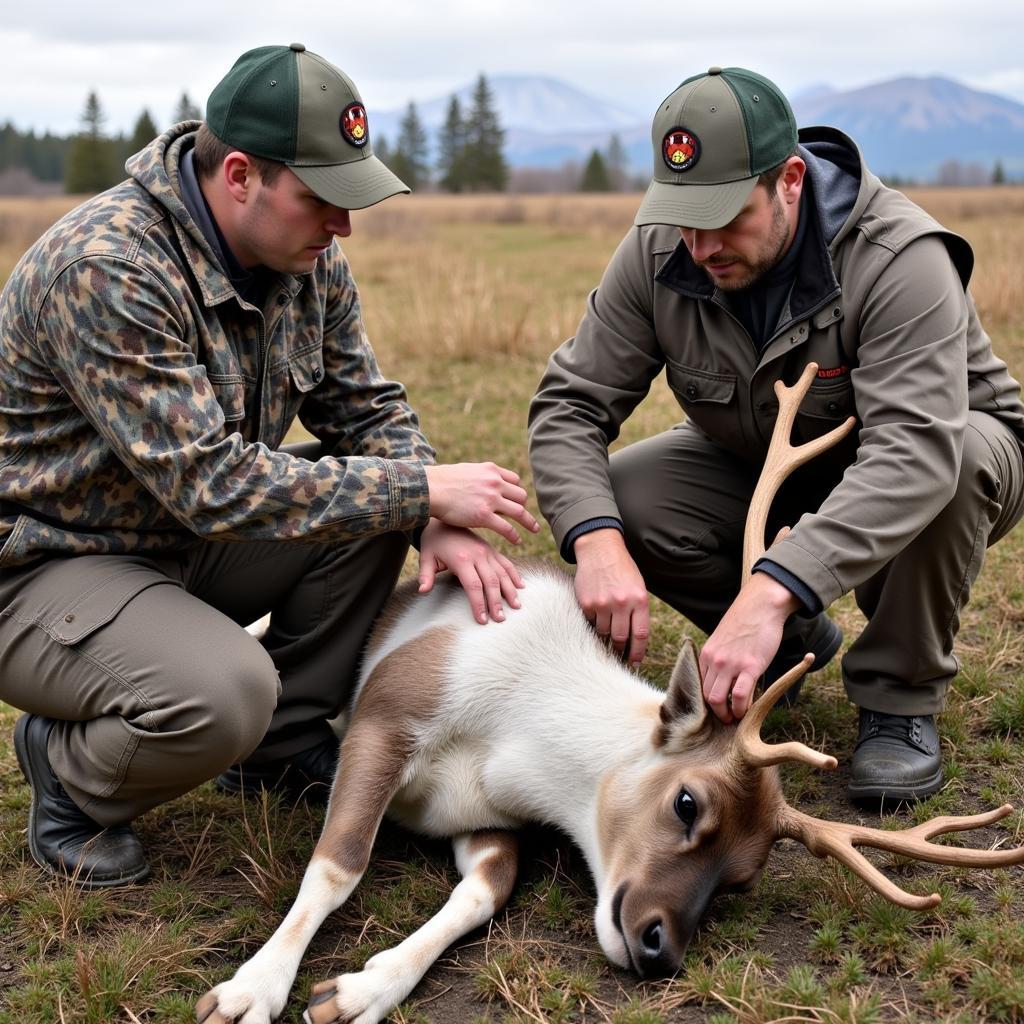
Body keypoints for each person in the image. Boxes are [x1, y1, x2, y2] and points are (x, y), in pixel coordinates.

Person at [0, 43, 539, 889]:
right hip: (50, 565)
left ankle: (281, 745)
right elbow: (212, 485)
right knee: (226, 693)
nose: (343, 224)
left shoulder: (305, 260)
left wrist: (427, 507)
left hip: (179, 541)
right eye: (323, 199)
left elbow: (364, 407)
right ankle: (70, 775)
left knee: (377, 501)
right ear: (241, 175)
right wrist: (421, 489)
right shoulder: (109, 269)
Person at [529, 66, 1024, 804]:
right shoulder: (660, 249)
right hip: (768, 462)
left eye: (727, 217)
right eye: (685, 217)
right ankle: (792, 649)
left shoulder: (900, 257)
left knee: (948, 470)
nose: (700, 245)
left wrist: (773, 588)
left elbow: (913, 454)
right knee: (627, 497)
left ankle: (897, 698)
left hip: (941, 457)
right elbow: (570, 404)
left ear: (790, 179)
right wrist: (596, 541)